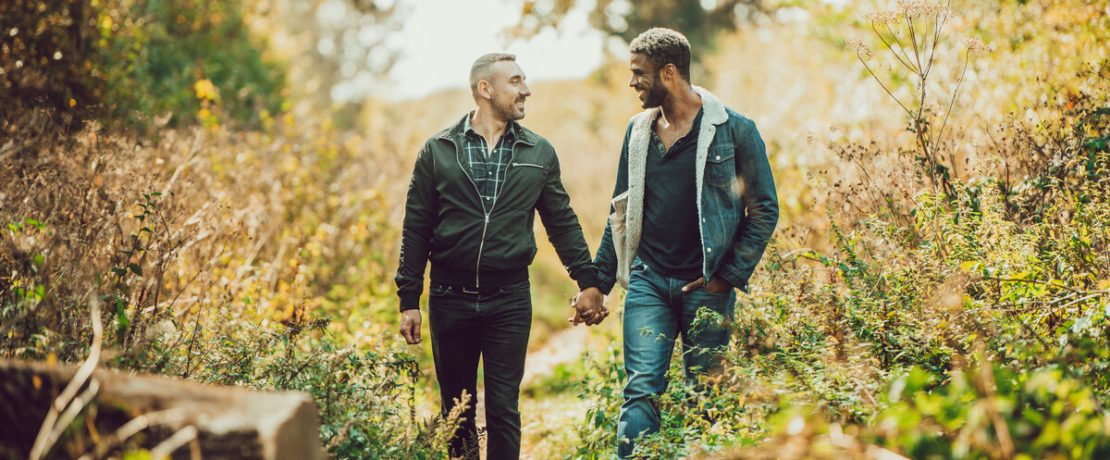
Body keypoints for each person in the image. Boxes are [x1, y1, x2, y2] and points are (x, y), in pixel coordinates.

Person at [575, 28, 779, 457]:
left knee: (706, 396)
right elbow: (622, 214)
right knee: (641, 392)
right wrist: (599, 283)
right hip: (649, 282)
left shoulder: (735, 130)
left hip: (707, 286)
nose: (632, 83)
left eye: (639, 74)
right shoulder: (637, 132)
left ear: (668, 72)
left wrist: (725, 278)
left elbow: (763, 210)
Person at [395, 53, 605, 460]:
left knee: (504, 408)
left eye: (524, 81)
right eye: (515, 81)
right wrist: (409, 300)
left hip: (508, 299)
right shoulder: (438, 150)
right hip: (449, 298)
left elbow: (561, 222)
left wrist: (589, 281)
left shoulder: (539, 152)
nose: (526, 90)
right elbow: (416, 227)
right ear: (485, 89)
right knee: (457, 410)